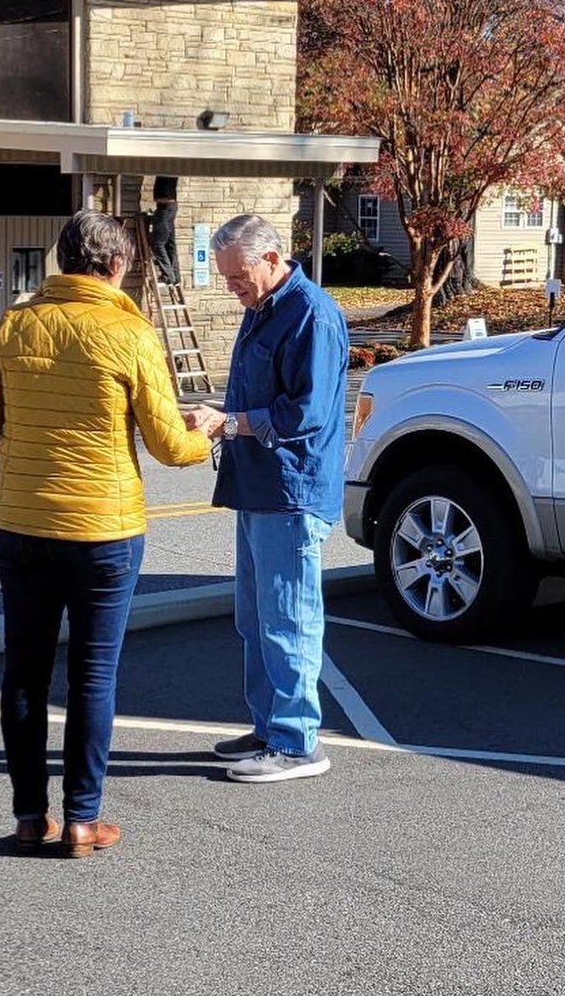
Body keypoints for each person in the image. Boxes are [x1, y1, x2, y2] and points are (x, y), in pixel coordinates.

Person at [0, 210, 211, 857]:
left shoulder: (16, 324)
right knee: (92, 676)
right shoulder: (131, 333)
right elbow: (166, 445)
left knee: (23, 674)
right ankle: (81, 819)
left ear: (62, 261)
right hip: (105, 528)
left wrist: (26, 463)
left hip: (22, 522)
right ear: (118, 266)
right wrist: (206, 433)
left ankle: (27, 817)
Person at [184, 214, 348, 783]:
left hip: (290, 490)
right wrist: (225, 421)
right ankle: (270, 727)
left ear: (273, 259)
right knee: (256, 618)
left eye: (239, 276)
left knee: (288, 619)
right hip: (260, 486)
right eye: (227, 278)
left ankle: (297, 743)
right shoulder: (265, 309)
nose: (233, 288)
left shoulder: (311, 315)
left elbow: (307, 414)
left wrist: (228, 423)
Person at [149, 175, 181, 288]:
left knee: (158, 244)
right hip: (169, 206)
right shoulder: (170, 164)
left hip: (165, 206)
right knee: (169, 245)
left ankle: (168, 276)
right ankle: (175, 277)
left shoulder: (167, 165)